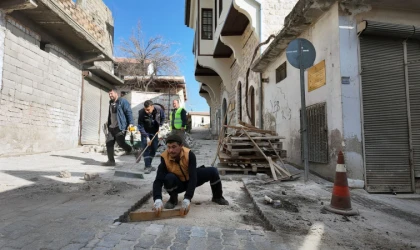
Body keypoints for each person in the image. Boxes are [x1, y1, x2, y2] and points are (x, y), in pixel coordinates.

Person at [152, 134, 229, 216]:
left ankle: (217, 197)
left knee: (213, 171)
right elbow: (158, 180)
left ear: (181, 146)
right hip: (178, 184)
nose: (171, 150)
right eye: (169, 147)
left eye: (174, 147)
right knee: (168, 178)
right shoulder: (164, 157)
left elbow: (193, 177)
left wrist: (187, 198)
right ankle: (173, 200)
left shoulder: (189, 155)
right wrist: (157, 199)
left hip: (190, 180)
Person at [102, 88, 135, 166]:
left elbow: (128, 112)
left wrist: (131, 123)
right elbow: (111, 114)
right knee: (109, 143)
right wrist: (109, 122)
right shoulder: (110, 102)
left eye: (111, 93)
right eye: (109, 94)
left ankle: (129, 149)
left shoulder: (123, 102)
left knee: (121, 143)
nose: (110, 95)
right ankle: (111, 161)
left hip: (120, 126)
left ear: (116, 93)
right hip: (111, 127)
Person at [138, 100, 165, 174]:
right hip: (145, 132)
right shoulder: (141, 113)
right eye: (145, 109)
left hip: (154, 132)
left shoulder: (159, 110)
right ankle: (147, 166)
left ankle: (149, 164)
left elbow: (163, 118)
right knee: (146, 148)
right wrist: (146, 137)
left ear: (152, 107)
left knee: (154, 148)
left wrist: (161, 126)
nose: (147, 111)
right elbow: (140, 126)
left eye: (148, 109)